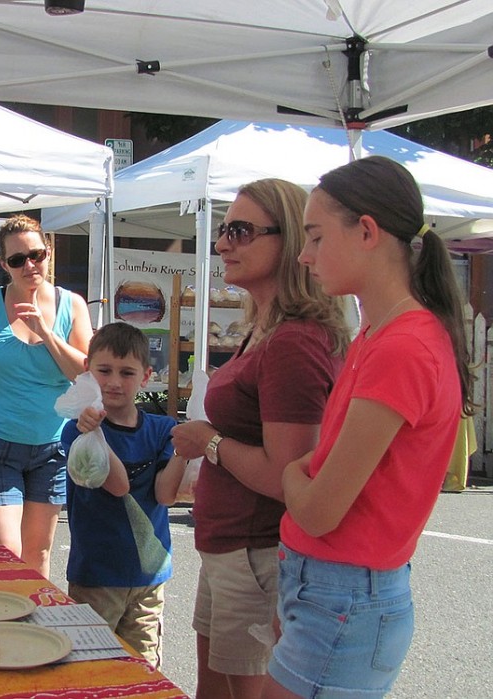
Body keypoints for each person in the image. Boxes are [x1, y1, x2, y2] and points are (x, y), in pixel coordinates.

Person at [262, 157, 473, 699]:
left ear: (367, 231)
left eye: (314, 237)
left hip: (344, 597)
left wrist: (290, 473)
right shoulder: (383, 335)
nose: (304, 256)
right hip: (335, 593)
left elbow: (318, 507)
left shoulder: (401, 345)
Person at [170, 178, 349, 699]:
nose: (223, 243)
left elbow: (286, 477)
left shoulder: (293, 341)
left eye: (241, 231)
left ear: (289, 240)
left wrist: (209, 442)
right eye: (225, 230)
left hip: (257, 554)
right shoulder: (266, 329)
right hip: (234, 550)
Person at [0, 214, 93, 578]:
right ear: (4, 265)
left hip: (51, 448)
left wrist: (46, 333)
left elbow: (88, 374)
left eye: (37, 255)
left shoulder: (71, 305)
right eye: (17, 260)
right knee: (6, 551)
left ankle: (34, 629)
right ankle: (0, 629)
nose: (30, 265)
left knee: (38, 553)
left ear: (49, 253)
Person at [60, 322, 188, 668]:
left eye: (126, 373)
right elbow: (118, 485)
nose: (114, 382)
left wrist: (184, 450)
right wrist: (96, 431)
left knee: (143, 668)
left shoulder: (163, 429)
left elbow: (165, 495)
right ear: (87, 370)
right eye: (104, 371)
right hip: (96, 576)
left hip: (149, 577)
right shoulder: (76, 431)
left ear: (146, 377)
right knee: (92, 666)